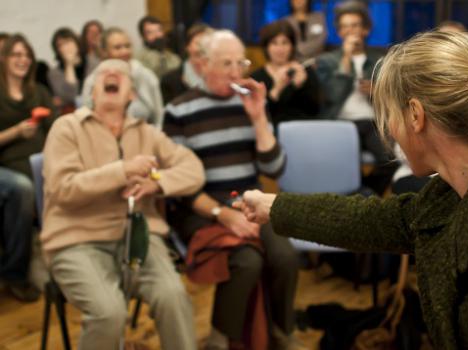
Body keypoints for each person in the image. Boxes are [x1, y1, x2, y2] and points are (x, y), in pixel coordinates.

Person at [235, 31, 468, 349]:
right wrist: (272, 206)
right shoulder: (445, 198)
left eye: (389, 116)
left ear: (415, 115)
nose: (390, 132)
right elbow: (364, 220)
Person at [41, 59, 205, 350]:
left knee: (174, 297)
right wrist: (123, 170)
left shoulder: (146, 133)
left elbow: (193, 170)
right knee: (109, 313)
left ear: (132, 95)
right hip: (76, 239)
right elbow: (63, 188)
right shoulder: (67, 128)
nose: (112, 73)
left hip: (138, 237)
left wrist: (158, 182)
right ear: (93, 92)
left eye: (121, 74)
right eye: (103, 72)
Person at [163, 30, 301, 350]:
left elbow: (274, 169)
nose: (235, 72)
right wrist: (222, 213)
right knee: (247, 261)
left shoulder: (250, 102)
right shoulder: (179, 110)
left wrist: (257, 119)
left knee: (285, 257)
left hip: (249, 199)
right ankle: (220, 337)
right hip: (200, 205)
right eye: (226, 63)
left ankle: (282, 332)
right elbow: (174, 182)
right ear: (203, 65)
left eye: (240, 62)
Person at [315, 0, 396, 195]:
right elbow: (332, 95)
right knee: (345, 164)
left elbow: (392, 98)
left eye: (355, 25)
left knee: (391, 159)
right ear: (339, 32)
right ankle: (360, 197)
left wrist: (377, 91)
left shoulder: (380, 60)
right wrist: (345, 59)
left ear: (365, 30)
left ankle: (365, 194)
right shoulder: (327, 61)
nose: (350, 31)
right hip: (338, 122)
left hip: (371, 122)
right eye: (344, 27)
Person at [0, 34, 55, 302]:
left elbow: (56, 130)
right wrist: (15, 133)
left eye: (27, 55)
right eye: (16, 55)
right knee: (22, 187)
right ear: (4, 58)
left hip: (42, 163)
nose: (23, 60)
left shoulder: (39, 92)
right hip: (7, 168)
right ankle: (14, 274)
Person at [81, 27, 164, 127]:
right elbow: (87, 119)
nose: (124, 51)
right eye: (117, 47)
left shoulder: (146, 76)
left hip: (146, 138)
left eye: (127, 46)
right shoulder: (92, 81)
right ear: (104, 51)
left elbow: (159, 117)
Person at [250, 20, 320, 130]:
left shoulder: (305, 71)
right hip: (270, 133)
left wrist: (300, 86)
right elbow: (259, 115)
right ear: (266, 47)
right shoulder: (256, 77)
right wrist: (276, 90)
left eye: (285, 43)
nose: (280, 49)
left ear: (292, 46)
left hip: (304, 131)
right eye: (274, 43)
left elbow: (316, 110)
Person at [160, 23, 213, 104]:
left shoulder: (223, 79)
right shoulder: (169, 81)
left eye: (207, 44)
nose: (202, 48)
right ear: (187, 47)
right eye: (198, 43)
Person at [47, 27, 87, 114]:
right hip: (71, 115)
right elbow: (69, 96)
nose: (65, 47)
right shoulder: (54, 73)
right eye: (60, 45)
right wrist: (69, 64)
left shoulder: (92, 62)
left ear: (76, 42)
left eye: (68, 42)